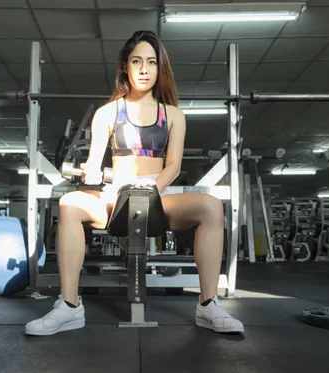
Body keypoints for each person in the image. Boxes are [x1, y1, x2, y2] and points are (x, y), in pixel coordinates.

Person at [25, 30, 244, 336]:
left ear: (160, 68)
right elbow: (94, 160)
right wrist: (90, 171)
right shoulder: (106, 113)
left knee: (210, 206)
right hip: (116, 198)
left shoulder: (174, 116)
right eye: (137, 61)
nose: (144, 69)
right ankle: (70, 306)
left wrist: (152, 188)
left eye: (152, 62)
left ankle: (208, 305)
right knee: (69, 204)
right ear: (125, 67)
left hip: (158, 194)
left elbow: (174, 165)